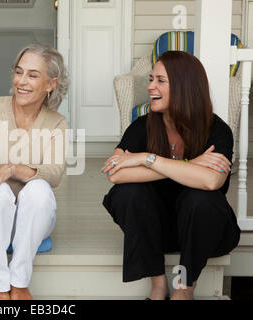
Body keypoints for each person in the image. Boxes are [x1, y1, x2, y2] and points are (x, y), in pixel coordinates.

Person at [102, 51, 241, 300]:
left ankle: (184, 288)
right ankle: (158, 285)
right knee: (126, 193)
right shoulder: (142, 126)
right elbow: (115, 173)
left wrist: (147, 159)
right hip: (157, 230)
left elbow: (211, 181)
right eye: (150, 78)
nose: (150, 87)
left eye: (160, 81)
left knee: (201, 199)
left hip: (205, 231)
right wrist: (192, 165)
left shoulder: (217, 130)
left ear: (185, 87)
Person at [0, 43, 69, 300]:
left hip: (30, 223)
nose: (22, 81)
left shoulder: (56, 123)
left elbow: (53, 173)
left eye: (32, 74)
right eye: (19, 72)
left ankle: (19, 283)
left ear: (51, 84)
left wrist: (9, 169)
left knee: (39, 187)